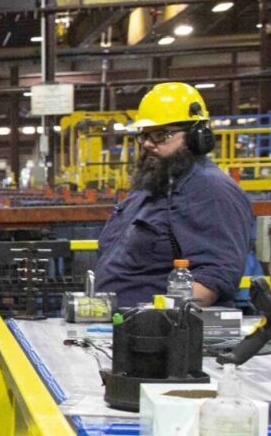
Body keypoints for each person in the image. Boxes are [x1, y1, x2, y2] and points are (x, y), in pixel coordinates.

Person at [94, 82, 254, 310]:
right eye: (144, 135)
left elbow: (215, 276)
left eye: (161, 135)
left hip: (159, 328)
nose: (147, 144)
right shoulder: (150, 187)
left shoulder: (211, 191)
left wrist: (156, 316)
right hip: (115, 323)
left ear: (197, 137)